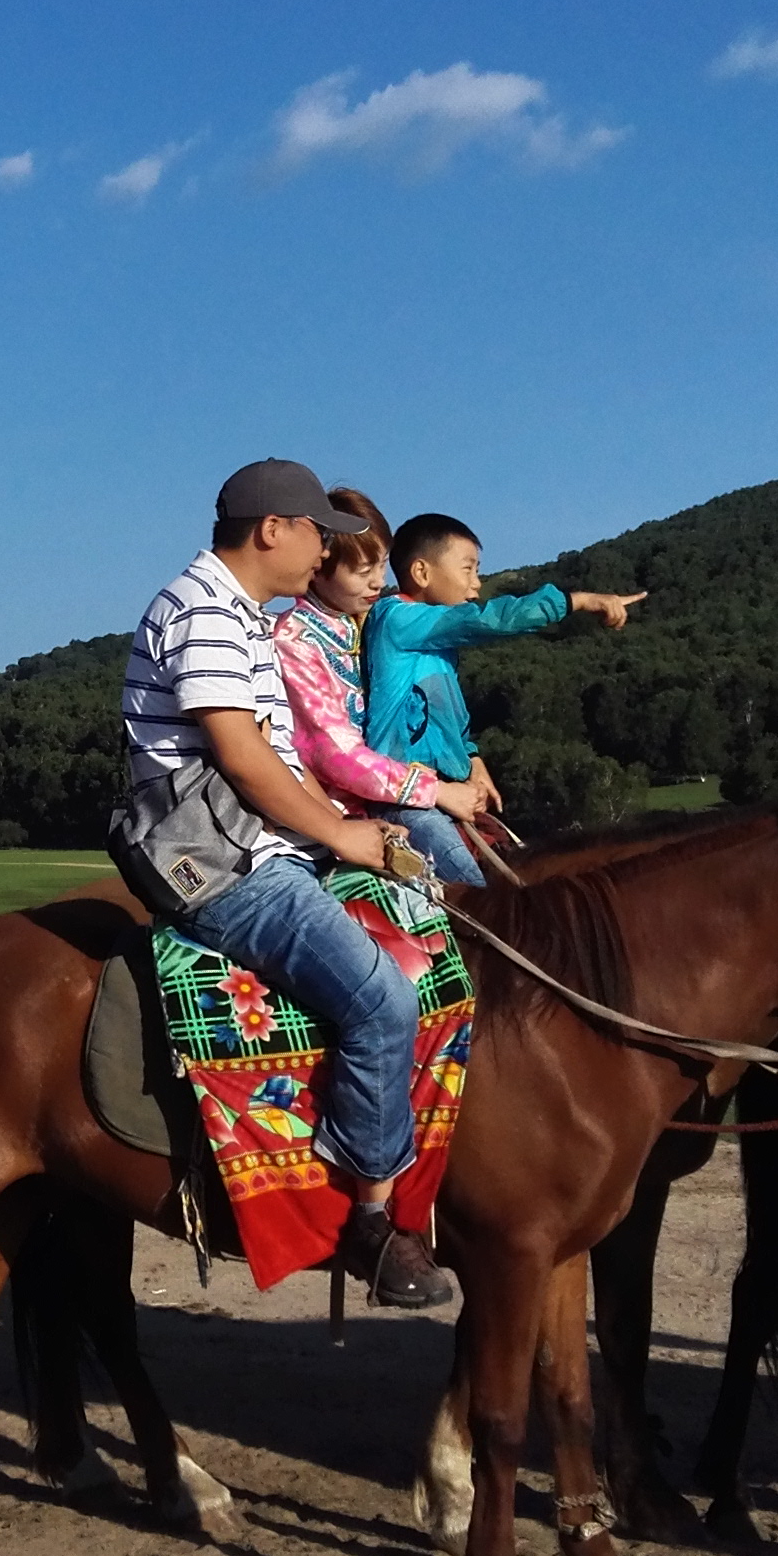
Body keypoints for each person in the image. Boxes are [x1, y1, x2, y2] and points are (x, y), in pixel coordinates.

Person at [124, 460, 454, 1308]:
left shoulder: (241, 616)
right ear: (273, 529)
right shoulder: (202, 612)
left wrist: (357, 837)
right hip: (217, 862)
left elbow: (276, 757)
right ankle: (374, 1217)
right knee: (382, 999)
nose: (325, 549)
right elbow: (238, 754)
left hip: (263, 844)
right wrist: (339, 830)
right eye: (316, 532)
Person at [273, 487, 503, 889]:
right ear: (319, 566)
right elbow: (336, 756)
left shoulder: (367, 619)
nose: (379, 582)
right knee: (485, 902)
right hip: (342, 814)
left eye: (381, 565)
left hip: (400, 792)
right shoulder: (295, 641)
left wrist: (471, 759)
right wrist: (438, 792)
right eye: (363, 572)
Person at [361, 514, 646, 827]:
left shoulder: (437, 641)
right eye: (468, 568)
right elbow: (488, 619)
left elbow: (447, 715)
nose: (477, 583)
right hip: (404, 796)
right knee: (473, 877)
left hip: (447, 792)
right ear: (421, 572)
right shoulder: (396, 619)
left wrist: (471, 759)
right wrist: (576, 601)